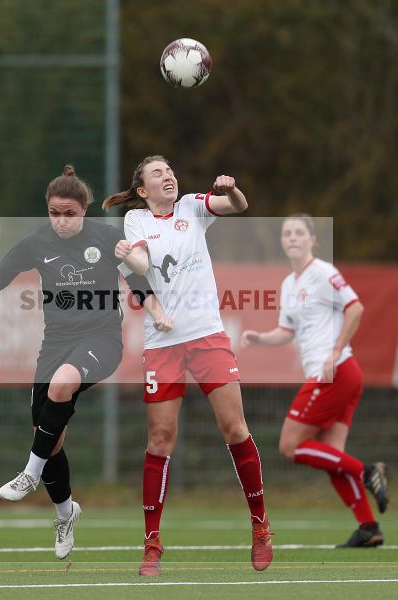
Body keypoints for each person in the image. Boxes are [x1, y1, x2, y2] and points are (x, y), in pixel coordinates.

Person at [0, 165, 169, 560]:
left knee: (61, 385)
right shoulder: (36, 241)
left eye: (69, 214)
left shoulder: (106, 237)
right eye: (54, 213)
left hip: (101, 341)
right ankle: (66, 513)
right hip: (55, 345)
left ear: (84, 210)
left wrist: (156, 311)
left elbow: (137, 281)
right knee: (49, 438)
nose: (61, 221)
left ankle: (29, 474)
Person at [104, 155, 273, 576]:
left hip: (206, 335)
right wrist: (128, 257)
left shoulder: (193, 206)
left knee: (234, 428)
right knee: (160, 439)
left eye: (169, 171)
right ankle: (152, 543)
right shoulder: (136, 220)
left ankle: (260, 526)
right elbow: (140, 267)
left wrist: (231, 189)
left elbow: (239, 206)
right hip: (163, 344)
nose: (168, 176)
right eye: (157, 173)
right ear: (142, 189)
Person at [241, 213, 389, 548]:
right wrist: (260, 338)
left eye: (299, 232)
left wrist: (335, 351)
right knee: (332, 457)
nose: (292, 238)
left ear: (312, 239)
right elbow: (286, 331)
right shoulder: (289, 284)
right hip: (338, 375)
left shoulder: (323, 272)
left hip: (335, 372)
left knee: (289, 445)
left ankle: (368, 471)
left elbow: (355, 308)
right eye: (287, 233)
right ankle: (368, 527)